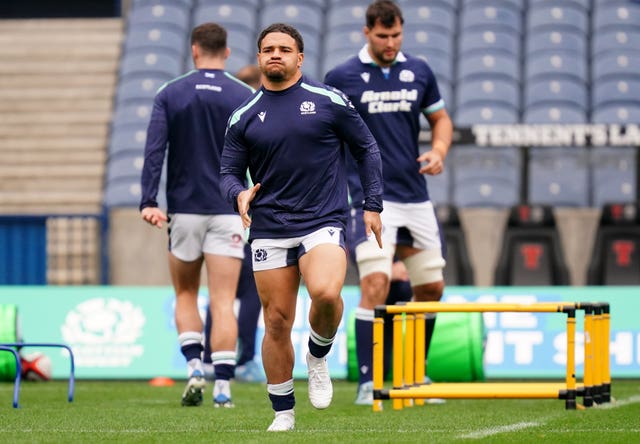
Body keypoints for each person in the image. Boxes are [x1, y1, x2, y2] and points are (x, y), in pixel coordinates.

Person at [220, 23, 384, 432]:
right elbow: (226, 172)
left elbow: (366, 147)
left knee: (327, 294)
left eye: (284, 49)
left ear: (300, 58)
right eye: (269, 49)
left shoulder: (328, 100)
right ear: (259, 58)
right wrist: (237, 194)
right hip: (270, 225)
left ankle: (317, 354)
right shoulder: (243, 115)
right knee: (276, 320)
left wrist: (372, 204)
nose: (276, 54)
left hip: (323, 218)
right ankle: (283, 412)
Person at [324, 0, 453, 405]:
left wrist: (440, 150)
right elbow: (325, 133)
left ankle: (414, 375)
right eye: (383, 36)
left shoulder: (419, 70)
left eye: (396, 35)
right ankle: (369, 380)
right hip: (369, 200)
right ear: (367, 33)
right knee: (376, 283)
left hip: (416, 197)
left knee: (431, 287)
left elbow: (440, 119)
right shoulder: (341, 76)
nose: (391, 43)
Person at [139, 22, 254, 407]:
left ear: (193, 50)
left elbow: (155, 151)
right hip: (227, 209)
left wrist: (148, 201)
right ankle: (222, 386)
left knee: (185, 293)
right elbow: (260, 153)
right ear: (226, 52)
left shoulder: (170, 93)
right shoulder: (243, 94)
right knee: (223, 301)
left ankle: (193, 368)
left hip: (184, 211)